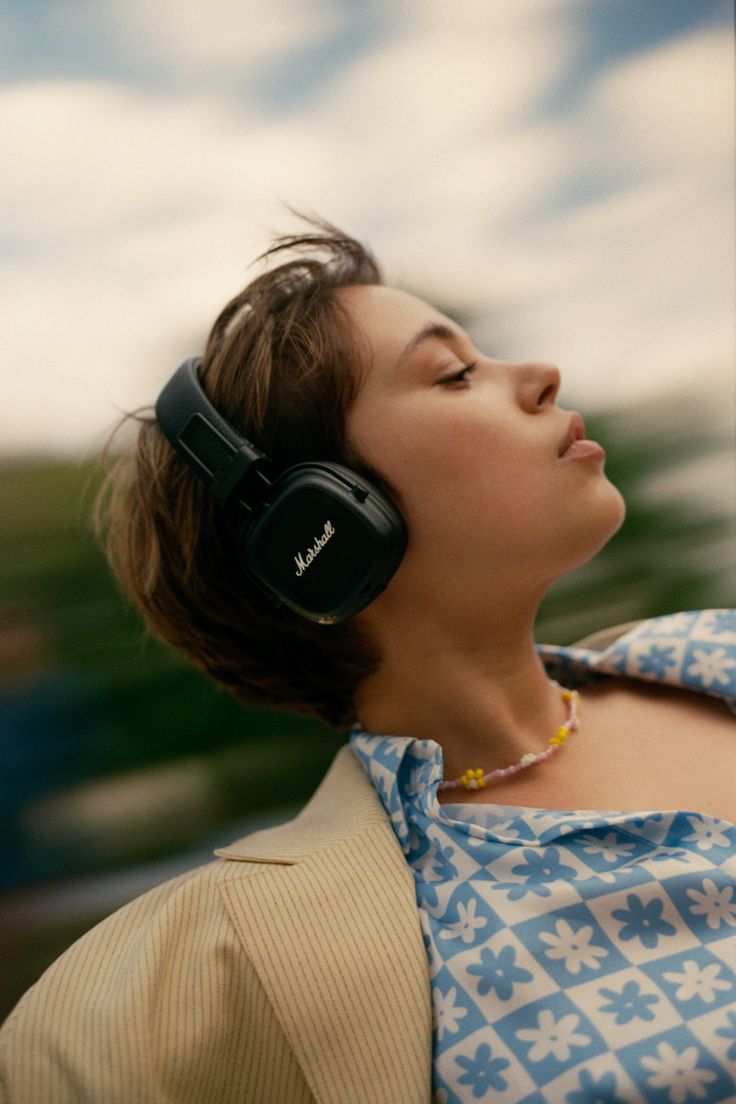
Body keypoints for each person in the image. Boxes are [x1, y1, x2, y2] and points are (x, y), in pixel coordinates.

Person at [0, 219, 734, 1104]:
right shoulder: (235, 968)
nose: (539, 375)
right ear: (323, 529)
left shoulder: (705, 655)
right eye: (455, 374)